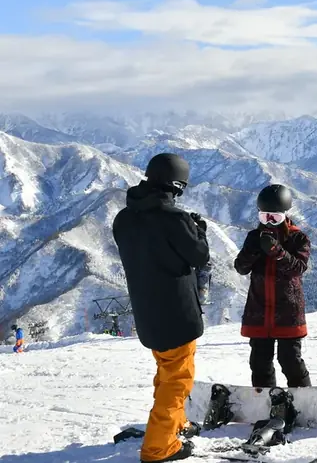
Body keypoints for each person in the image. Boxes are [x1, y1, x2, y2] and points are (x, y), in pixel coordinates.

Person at [113, 152, 210, 463]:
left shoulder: (123, 219)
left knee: (166, 372)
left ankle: (174, 425)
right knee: (177, 380)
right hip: (177, 313)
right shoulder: (175, 220)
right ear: (177, 185)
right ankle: (159, 447)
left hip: (147, 311)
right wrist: (199, 231)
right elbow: (199, 257)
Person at [233, 184, 312, 389]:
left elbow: (298, 268)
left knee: (290, 361)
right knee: (259, 363)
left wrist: (278, 252)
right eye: (264, 216)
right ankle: (265, 402)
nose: (269, 222)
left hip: (288, 310)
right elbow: (241, 268)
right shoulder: (254, 237)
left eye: (274, 217)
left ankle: (305, 399)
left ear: (285, 215)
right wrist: (253, 250)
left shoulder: (298, 238)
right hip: (259, 310)